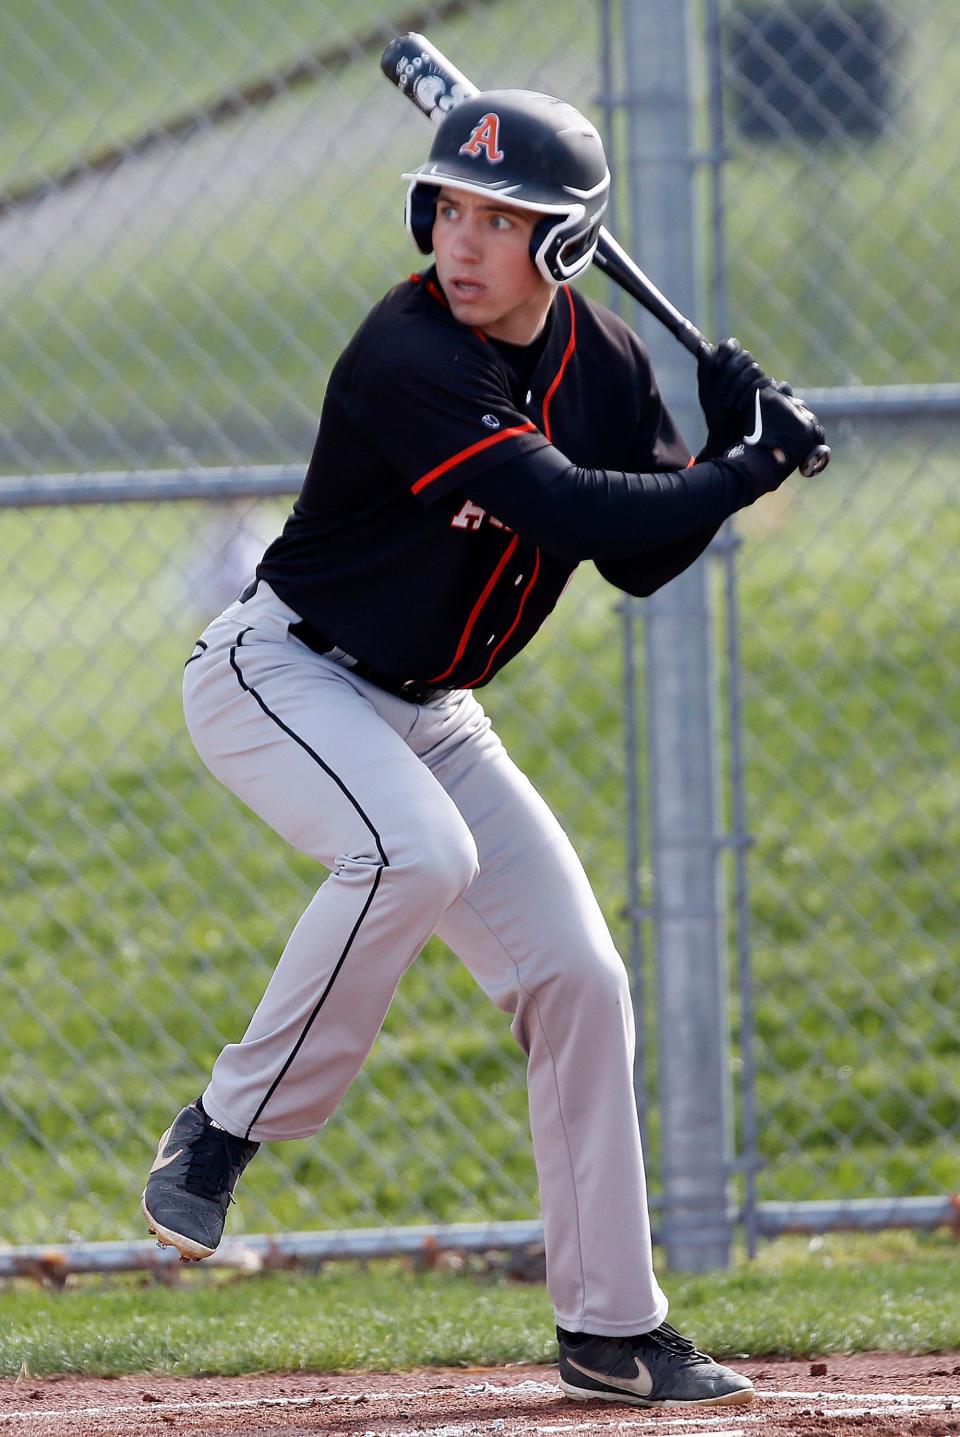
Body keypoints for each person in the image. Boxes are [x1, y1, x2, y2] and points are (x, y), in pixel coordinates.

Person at [142, 89, 825, 1408]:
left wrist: (730, 446)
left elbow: (640, 558)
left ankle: (612, 1330)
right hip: (280, 671)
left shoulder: (608, 366)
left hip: (435, 709)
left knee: (579, 973)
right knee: (415, 850)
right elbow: (560, 503)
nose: (460, 244)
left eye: (501, 222)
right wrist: (742, 470)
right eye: (450, 208)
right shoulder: (408, 355)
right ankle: (224, 1129)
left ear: (562, 250)